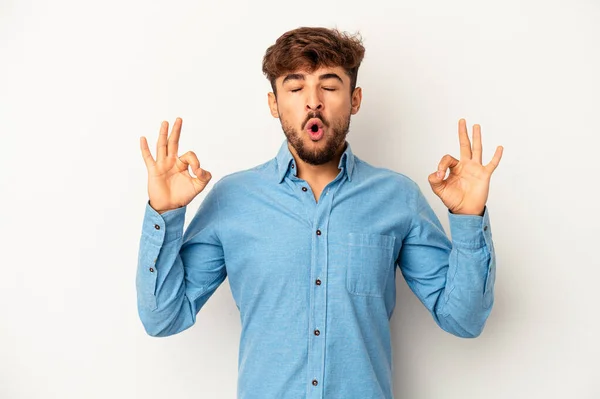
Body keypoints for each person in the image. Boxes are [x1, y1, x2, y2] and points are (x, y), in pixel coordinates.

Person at [136, 26, 503, 399]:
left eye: (329, 86)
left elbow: (464, 319)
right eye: (295, 89)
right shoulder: (232, 199)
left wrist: (470, 219)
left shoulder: (397, 198)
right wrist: (164, 212)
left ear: (355, 99)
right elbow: (163, 318)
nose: (313, 102)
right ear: (274, 103)